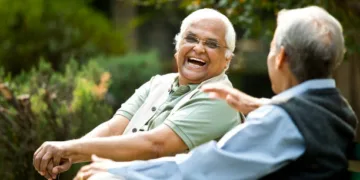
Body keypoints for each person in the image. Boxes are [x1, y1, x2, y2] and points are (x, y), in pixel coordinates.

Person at [73, 6, 358, 180]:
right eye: (191, 39)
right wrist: (266, 106)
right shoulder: (339, 109)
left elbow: (199, 169)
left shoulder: (281, 121)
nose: (198, 49)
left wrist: (117, 172)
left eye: (270, 48)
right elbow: (302, 122)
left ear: (281, 58)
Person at [33, 8, 243, 180]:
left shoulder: (221, 97)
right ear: (178, 47)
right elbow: (113, 128)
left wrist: (70, 149)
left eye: (211, 43)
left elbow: (156, 145)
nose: (199, 48)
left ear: (227, 60)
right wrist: (68, 154)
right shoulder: (158, 83)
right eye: (191, 39)